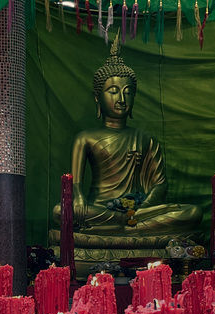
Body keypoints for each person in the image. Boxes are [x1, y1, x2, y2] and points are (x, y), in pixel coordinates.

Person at [50, 36, 202, 243]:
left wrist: (143, 209)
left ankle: (118, 229)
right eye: (113, 91)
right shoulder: (85, 138)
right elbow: (75, 188)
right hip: (101, 209)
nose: (121, 99)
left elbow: (159, 185)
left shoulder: (145, 139)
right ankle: (125, 227)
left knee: (192, 212)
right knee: (61, 211)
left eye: (128, 92)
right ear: (97, 97)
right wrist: (78, 200)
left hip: (139, 211)